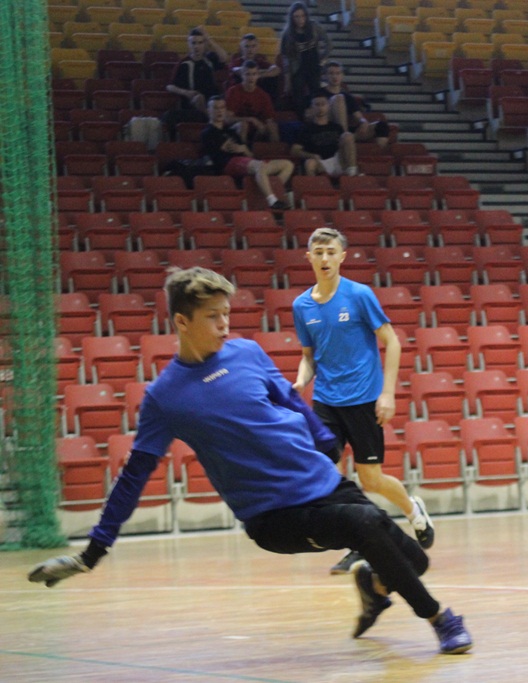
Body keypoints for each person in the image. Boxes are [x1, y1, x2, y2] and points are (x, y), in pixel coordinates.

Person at [27, 267, 472, 655]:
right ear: (182, 322)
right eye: (212, 317)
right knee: (366, 524)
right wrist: (92, 553)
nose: (224, 325)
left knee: (413, 561)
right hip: (274, 515)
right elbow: (133, 478)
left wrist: (322, 438)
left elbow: (288, 399)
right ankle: (441, 621)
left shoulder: (247, 352)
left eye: (226, 314)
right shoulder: (165, 399)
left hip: (324, 484)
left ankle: (373, 588)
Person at [292, 228, 435, 575]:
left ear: (342, 256)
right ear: (309, 257)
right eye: (319, 252)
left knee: (370, 479)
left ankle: (413, 510)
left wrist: (387, 393)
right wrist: (300, 380)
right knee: (327, 473)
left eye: (331, 252)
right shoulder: (302, 306)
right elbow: (309, 356)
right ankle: (360, 542)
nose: (325, 258)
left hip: (363, 399)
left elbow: (393, 341)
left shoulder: (359, 295)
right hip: (326, 401)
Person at [200, 96, 294, 210]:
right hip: (228, 164)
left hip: (245, 162)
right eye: (215, 108)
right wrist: (242, 149)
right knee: (260, 166)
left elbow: (247, 153)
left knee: (287, 164)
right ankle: (272, 200)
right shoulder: (208, 132)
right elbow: (230, 149)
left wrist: (244, 149)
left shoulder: (231, 132)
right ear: (209, 110)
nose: (219, 111)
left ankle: (268, 192)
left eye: (222, 107)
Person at [318, 61, 392, 150]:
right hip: (328, 128)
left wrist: (363, 122)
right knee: (338, 98)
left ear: (342, 76)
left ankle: (380, 157)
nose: (335, 76)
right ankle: (344, 137)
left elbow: (358, 115)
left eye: (338, 73)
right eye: (331, 73)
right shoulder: (319, 93)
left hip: (348, 131)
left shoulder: (347, 96)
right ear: (325, 76)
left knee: (381, 125)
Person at [280, 2, 332, 113]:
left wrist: (323, 59)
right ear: (292, 18)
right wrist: (287, 80)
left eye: (303, 16)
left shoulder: (314, 26)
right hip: (298, 69)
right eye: (297, 16)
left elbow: (328, 43)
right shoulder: (287, 33)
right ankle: (302, 119)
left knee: (316, 95)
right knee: (298, 98)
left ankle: (315, 118)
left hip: (314, 67)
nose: (300, 19)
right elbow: (286, 60)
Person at [291, 93, 358, 177]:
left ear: (328, 106)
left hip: (338, 159)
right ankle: (315, 188)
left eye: (323, 104)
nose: (320, 108)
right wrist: (311, 155)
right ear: (312, 108)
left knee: (347, 136)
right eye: (317, 105)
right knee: (309, 163)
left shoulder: (336, 127)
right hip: (320, 162)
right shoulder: (305, 129)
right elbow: (295, 150)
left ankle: (352, 175)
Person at [166, 27, 229, 116]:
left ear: (204, 44)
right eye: (193, 43)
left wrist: (208, 39)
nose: (196, 46)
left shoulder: (209, 59)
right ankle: (210, 117)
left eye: (200, 43)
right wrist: (186, 92)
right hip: (193, 102)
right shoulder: (184, 63)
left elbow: (224, 57)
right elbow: (170, 86)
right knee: (199, 98)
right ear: (189, 44)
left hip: (213, 100)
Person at [225, 60, 281, 144]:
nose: (251, 78)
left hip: (256, 130)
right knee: (243, 125)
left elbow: (269, 119)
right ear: (242, 75)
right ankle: (243, 152)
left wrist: (264, 127)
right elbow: (227, 119)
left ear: (258, 75)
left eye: (254, 74)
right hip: (237, 128)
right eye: (247, 74)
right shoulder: (233, 91)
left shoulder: (263, 95)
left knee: (272, 126)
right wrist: (250, 119)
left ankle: (275, 152)